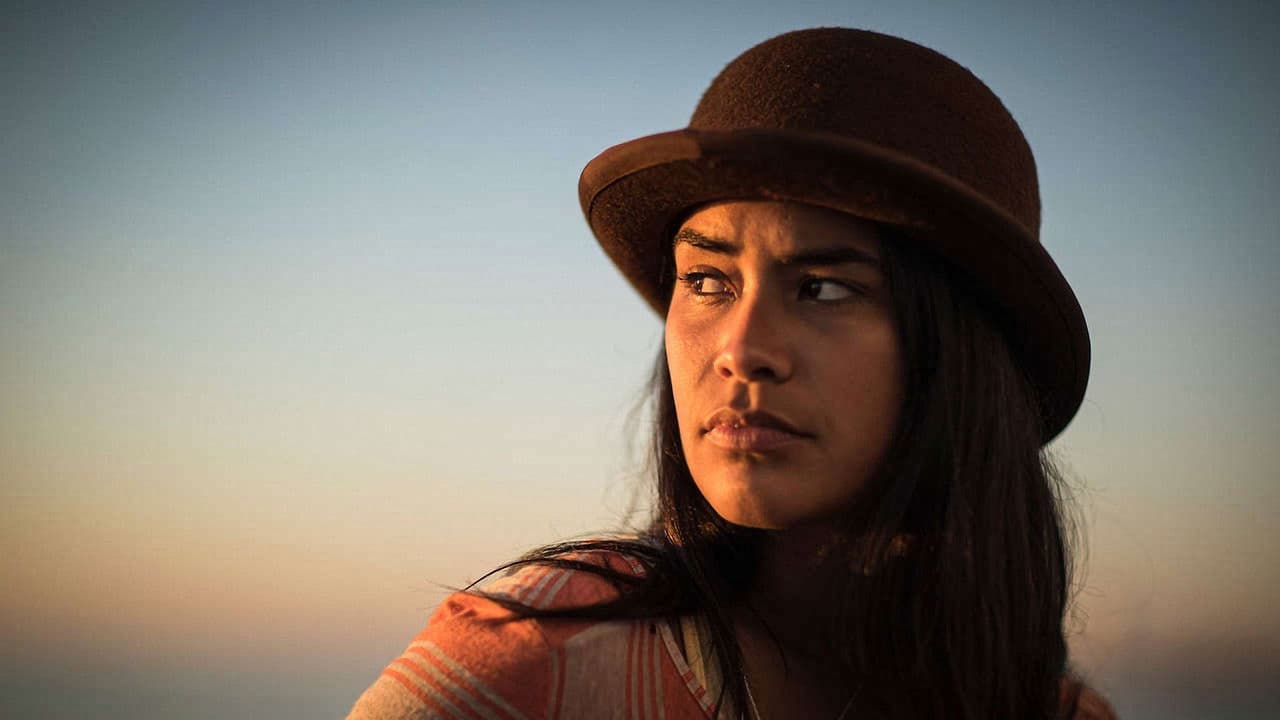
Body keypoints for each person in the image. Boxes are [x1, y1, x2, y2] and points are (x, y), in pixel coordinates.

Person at [346, 27, 1117, 720]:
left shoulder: (1046, 710)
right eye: (707, 280)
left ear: (959, 354)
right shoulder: (534, 663)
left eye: (823, 288)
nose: (742, 350)